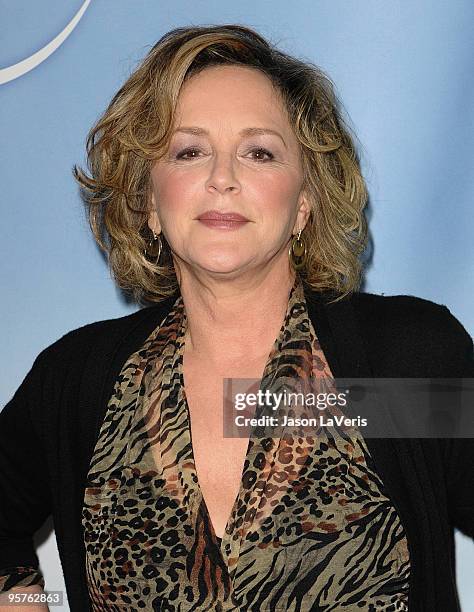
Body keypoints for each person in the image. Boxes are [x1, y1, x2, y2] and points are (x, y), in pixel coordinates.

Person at [0, 23, 472, 612]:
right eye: (189, 151)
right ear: (149, 199)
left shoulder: (401, 366)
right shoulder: (77, 381)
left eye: (259, 152)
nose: (222, 178)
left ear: (304, 201)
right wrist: (24, 602)